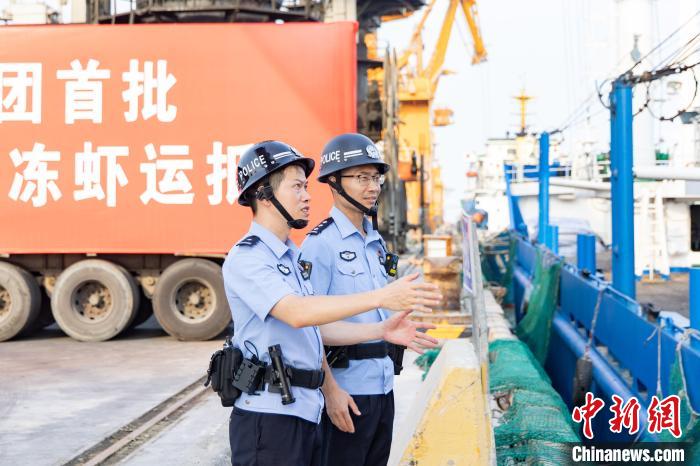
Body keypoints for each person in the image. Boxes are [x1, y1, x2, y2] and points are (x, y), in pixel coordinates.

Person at [223, 140, 440, 466]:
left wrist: (381, 330)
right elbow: (297, 313)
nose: (307, 196)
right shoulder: (248, 257)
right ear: (264, 195)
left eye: (306, 186)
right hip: (269, 418)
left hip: (304, 410)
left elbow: (314, 331)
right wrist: (381, 297)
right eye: (297, 187)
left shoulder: (290, 257)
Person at [301, 133, 413, 466]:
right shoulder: (320, 245)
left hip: (383, 387)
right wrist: (331, 391)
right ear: (334, 182)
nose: (373, 187)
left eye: (376, 177)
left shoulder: (375, 242)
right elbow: (307, 328)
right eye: (362, 177)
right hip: (346, 392)